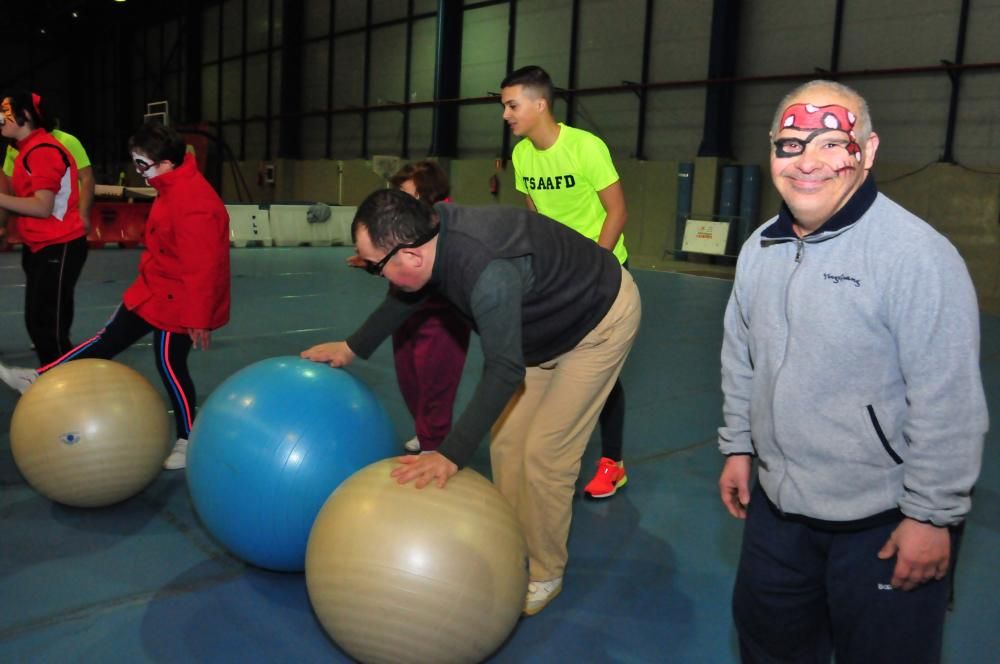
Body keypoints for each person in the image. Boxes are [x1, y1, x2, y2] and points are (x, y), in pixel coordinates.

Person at [717, 79, 988, 663]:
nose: (807, 162)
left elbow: (949, 399)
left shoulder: (916, 257)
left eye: (830, 143)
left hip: (884, 522)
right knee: (768, 646)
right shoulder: (759, 247)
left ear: (867, 151)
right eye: (790, 144)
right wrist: (739, 445)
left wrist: (931, 515)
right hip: (777, 515)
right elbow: (741, 356)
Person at [301, 189, 641, 616]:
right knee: (507, 445)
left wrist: (450, 453)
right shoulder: (431, 234)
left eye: (375, 268)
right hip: (540, 330)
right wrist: (352, 347)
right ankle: (515, 544)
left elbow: (504, 370)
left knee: (545, 455)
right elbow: (408, 295)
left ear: (411, 256)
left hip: (598, 321)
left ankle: (545, 570)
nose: (378, 276)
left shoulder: (486, 270)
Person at [0, 122, 231, 471]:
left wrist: (198, 319)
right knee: (107, 340)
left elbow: (204, 268)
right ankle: (39, 375)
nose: (138, 173)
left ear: (167, 163)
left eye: (143, 165)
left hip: (179, 299)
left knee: (170, 364)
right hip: (154, 288)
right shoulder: (170, 183)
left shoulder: (195, 203)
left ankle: (188, 438)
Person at [500, 65, 631, 499]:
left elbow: (617, 212)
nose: (506, 115)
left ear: (540, 105)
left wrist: (596, 267)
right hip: (557, 276)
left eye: (512, 105)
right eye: (504, 106)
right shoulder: (522, 157)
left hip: (603, 269)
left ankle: (612, 463)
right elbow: (535, 218)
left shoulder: (585, 147)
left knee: (601, 370)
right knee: (553, 361)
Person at [384, 161, 470, 454]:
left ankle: (436, 445)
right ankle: (425, 432)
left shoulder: (446, 222)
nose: (400, 199)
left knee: (436, 386)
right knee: (410, 381)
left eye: (406, 193)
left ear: (428, 193)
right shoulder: (405, 219)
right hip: (405, 311)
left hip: (441, 318)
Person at [0, 91, 88, 365]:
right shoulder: (24, 150)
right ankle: (57, 383)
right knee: (38, 323)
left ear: (25, 116)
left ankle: (69, 389)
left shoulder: (42, 151)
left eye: (5, 113)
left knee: (49, 328)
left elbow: (41, 207)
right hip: (40, 244)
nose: (1, 119)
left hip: (59, 245)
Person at [2, 122, 95, 234]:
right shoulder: (14, 148)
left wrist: (83, 215)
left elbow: (86, 178)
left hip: (64, 221)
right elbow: (9, 187)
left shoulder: (66, 141)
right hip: (33, 226)